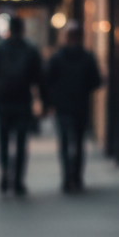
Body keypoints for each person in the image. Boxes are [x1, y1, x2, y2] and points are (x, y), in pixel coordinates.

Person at [0, 16, 42, 195]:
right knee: (21, 142)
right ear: (22, 29)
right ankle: (17, 180)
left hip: (3, 102)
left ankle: (4, 173)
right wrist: (43, 101)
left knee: (3, 141)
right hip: (22, 101)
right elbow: (39, 77)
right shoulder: (30, 50)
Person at [43, 22, 101, 193]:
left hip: (62, 106)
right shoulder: (87, 57)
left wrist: (50, 102)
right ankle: (76, 177)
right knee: (78, 141)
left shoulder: (57, 57)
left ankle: (67, 177)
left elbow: (47, 80)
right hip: (80, 105)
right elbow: (95, 81)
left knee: (64, 142)